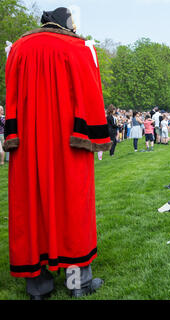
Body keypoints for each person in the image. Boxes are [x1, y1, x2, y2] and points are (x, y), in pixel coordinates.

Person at [3, 7, 111, 299]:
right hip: (68, 143)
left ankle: (38, 288)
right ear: (67, 24)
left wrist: (12, 136)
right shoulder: (78, 47)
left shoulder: (17, 49)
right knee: (73, 210)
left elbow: (10, 97)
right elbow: (90, 94)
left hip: (28, 144)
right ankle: (78, 283)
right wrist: (94, 136)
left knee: (30, 210)